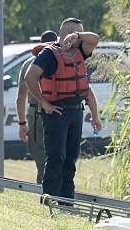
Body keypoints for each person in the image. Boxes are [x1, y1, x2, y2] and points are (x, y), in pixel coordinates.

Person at [24, 18, 102, 199]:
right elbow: (30, 76)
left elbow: (95, 39)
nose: (83, 40)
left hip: (76, 112)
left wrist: (95, 116)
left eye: (81, 35)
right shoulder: (48, 54)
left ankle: (67, 200)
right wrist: (43, 102)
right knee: (56, 157)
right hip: (56, 112)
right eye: (78, 35)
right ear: (67, 34)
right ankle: (49, 196)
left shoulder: (80, 51)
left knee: (70, 159)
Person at [16, 30, 57, 183]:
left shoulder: (29, 63)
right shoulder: (63, 58)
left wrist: (22, 124)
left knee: (42, 160)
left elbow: (21, 97)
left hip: (37, 112)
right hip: (59, 111)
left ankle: (45, 190)